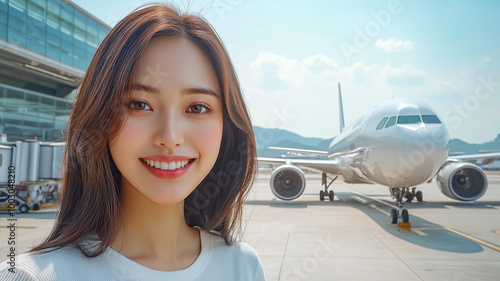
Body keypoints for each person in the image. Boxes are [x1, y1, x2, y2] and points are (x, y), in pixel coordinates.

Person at [0, 4, 265, 281]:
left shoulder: (242, 267)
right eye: (139, 104)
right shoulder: (29, 276)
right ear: (100, 116)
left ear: (228, 125)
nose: (170, 137)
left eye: (197, 108)